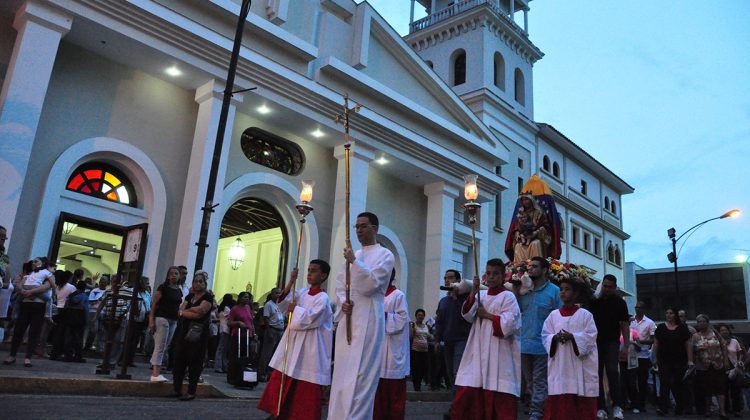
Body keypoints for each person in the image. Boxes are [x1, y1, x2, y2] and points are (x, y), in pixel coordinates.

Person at [328, 212, 395, 420]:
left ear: (375, 228)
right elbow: (341, 285)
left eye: (363, 226)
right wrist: (344, 302)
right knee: (342, 371)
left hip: (369, 316)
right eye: (356, 226)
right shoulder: (353, 255)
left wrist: (354, 263)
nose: (358, 230)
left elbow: (373, 285)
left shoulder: (385, 255)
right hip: (350, 316)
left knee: (362, 374)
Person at [257, 259, 333, 419]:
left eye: (314, 271)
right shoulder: (303, 292)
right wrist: (292, 280)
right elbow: (283, 304)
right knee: (285, 378)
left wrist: (295, 310)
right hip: (294, 344)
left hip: (311, 348)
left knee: (304, 386)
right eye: (308, 270)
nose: (309, 273)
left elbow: (310, 319)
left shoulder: (323, 299)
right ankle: (279, 412)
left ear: (323, 275)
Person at [451, 258, 522, 420]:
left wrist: (488, 315)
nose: (491, 277)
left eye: (495, 274)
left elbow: (509, 325)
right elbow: (468, 315)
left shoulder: (508, 297)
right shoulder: (480, 295)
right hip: (477, 348)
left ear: (503, 276)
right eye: (488, 273)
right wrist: (473, 290)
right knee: (469, 391)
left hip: (499, 351)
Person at [542, 276, 599, 420]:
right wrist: (554, 337)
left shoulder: (586, 315)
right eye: (561, 289)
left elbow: (591, 336)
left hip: (580, 366)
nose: (562, 292)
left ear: (575, 294)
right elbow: (545, 335)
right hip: (560, 365)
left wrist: (573, 337)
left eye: (567, 289)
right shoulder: (553, 315)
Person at [513, 256, 561, 420]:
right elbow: (516, 313)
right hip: (524, 343)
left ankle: (537, 411)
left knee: (540, 380)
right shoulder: (523, 290)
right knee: (529, 381)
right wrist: (515, 293)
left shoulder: (554, 291)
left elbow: (560, 317)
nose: (530, 269)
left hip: (544, 345)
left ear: (545, 270)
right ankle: (536, 407)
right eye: (529, 266)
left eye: (534, 266)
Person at [589, 274, 629, 419]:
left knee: (613, 371)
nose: (606, 289)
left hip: (612, 341)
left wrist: (626, 346)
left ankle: (617, 406)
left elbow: (624, 324)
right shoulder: (594, 302)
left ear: (615, 287)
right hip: (595, 342)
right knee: (596, 374)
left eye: (610, 287)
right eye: (605, 286)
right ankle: (601, 407)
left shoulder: (620, 303)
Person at [170, 271, 214, 400]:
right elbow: (180, 310)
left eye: (201, 281)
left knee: (194, 362)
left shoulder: (208, 297)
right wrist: (187, 311)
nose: (198, 283)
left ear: (205, 284)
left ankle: (191, 392)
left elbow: (199, 312)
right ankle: (176, 389)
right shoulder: (189, 297)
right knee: (179, 361)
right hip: (183, 331)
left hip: (198, 333)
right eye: (196, 281)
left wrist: (185, 312)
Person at [373, 269, 410, 420]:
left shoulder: (398, 295)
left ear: (391, 276)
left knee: (394, 398)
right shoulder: (376, 296)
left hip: (393, 353)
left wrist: (384, 315)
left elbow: (402, 319)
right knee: (378, 399)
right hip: (378, 351)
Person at [4, 257, 54, 367]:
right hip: (26, 304)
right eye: (33, 262)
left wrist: (29, 291)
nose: (34, 263)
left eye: (37, 261)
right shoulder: (29, 275)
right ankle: (12, 355)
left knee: (34, 332)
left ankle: (28, 358)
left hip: (38, 306)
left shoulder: (46, 275)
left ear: (43, 264)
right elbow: (19, 285)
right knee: (19, 330)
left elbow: (46, 287)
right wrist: (22, 290)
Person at [435, 269, 472, 391]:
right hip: (448, 341)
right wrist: (437, 340)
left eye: (450, 278)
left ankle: (459, 406)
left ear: (458, 281)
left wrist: (456, 298)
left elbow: (466, 317)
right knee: (450, 373)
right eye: (445, 278)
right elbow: (439, 322)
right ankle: (456, 402)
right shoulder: (443, 301)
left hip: (462, 339)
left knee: (458, 372)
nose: (447, 280)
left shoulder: (465, 299)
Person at [652, 306, 693, 416]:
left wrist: (690, 360)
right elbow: (656, 344)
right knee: (664, 382)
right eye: (667, 313)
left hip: (679, 360)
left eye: (671, 313)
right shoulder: (660, 328)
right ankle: (662, 408)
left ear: (675, 315)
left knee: (678, 383)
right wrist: (655, 358)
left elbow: (688, 344)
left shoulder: (683, 328)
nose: (669, 315)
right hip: (664, 359)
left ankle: (680, 406)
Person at [692, 314, 729, 419]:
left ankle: (722, 412)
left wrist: (726, 360)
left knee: (720, 388)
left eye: (704, 321)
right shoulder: (695, 336)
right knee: (706, 389)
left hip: (718, 365)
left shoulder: (715, 333)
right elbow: (691, 350)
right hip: (703, 366)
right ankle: (708, 410)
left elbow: (724, 345)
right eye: (699, 321)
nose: (702, 323)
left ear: (707, 322)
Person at [148, 266, 182, 382]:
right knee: (160, 345)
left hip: (174, 320)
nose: (174, 275)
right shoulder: (162, 288)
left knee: (165, 346)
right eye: (171, 273)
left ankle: (155, 366)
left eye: (176, 273)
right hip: (162, 318)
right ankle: (155, 374)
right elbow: (154, 304)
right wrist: (151, 320)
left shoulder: (179, 289)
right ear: (168, 276)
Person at [506, 194, 553, 264]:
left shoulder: (539, 212)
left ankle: (535, 265)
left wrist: (536, 233)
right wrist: (517, 233)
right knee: (518, 246)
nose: (525, 201)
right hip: (524, 238)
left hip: (536, 237)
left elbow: (546, 227)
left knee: (535, 244)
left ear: (531, 200)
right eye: (523, 200)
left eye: (526, 199)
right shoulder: (521, 214)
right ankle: (519, 267)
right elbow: (516, 227)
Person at [629, 301, 655, 414]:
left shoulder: (650, 322)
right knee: (631, 381)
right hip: (630, 355)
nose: (638, 309)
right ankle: (633, 403)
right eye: (636, 307)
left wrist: (640, 342)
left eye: (640, 307)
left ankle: (641, 404)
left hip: (643, 355)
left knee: (642, 381)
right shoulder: (630, 320)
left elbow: (653, 340)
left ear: (644, 309)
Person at [258, 287, 285, 382]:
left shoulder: (280, 305)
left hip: (280, 330)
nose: (278, 295)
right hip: (272, 330)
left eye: (279, 293)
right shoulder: (269, 305)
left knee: (276, 354)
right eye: (276, 293)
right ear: (272, 294)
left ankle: (270, 373)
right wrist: (268, 331)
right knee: (267, 353)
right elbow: (266, 318)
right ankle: (262, 373)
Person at [719, 325, 744, 416]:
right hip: (722, 369)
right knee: (724, 390)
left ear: (729, 331)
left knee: (735, 390)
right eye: (722, 330)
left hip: (734, 368)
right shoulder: (717, 341)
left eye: (726, 330)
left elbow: (740, 352)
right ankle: (725, 409)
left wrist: (739, 361)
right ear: (719, 332)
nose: (724, 332)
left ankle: (736, 410)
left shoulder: (734, 341)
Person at [410, 308, 432, 392]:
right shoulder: (413, 325)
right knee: (416, 370)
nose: (420, 316)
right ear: (416, 316)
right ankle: (417, 387)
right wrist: (411, 328)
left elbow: (428, 336)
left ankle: (420, 383)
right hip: (416, 351)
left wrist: (432, 337)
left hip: (425, 351)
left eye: (422, 315)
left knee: (424, 369)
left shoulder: (426, 326)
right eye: (419, 315)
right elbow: (411, 336)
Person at [214, 293, 235, 373]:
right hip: (226, 329)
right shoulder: (227, 308)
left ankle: (222, 365)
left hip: (222, 328)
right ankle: (219, 366)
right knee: (222, 348)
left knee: (223, 348)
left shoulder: (221, 308)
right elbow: (230, 316)